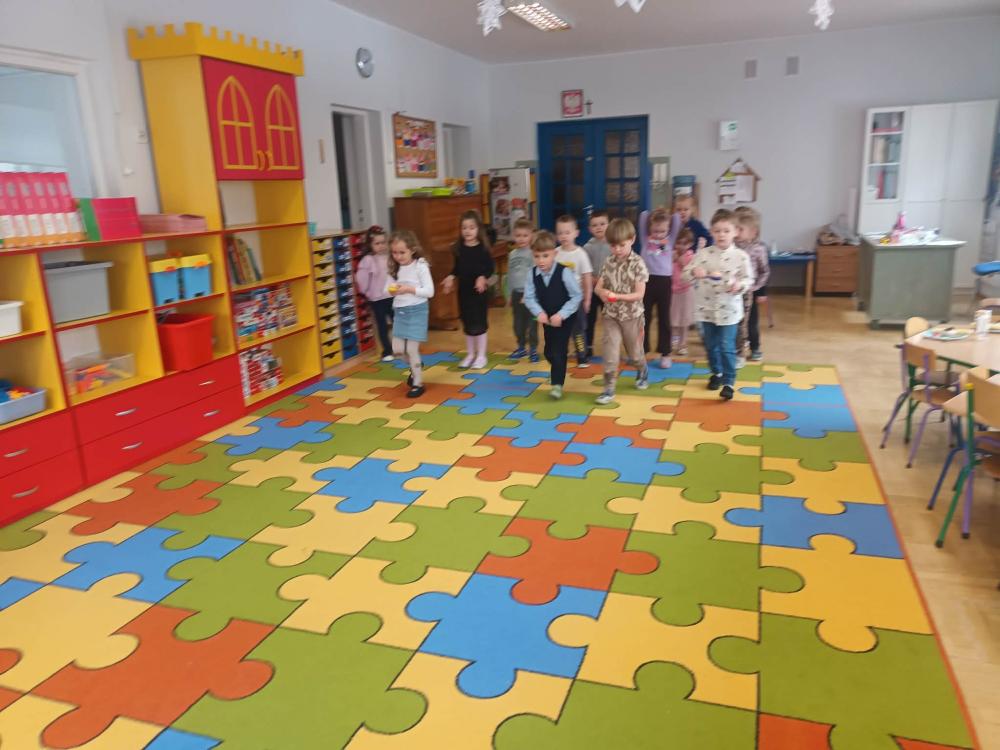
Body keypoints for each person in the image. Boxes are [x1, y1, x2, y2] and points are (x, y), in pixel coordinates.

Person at [682, 209, 753, 401]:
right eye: (717, 231)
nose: (721, 235)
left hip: (729, 311)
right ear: (711, 232)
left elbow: (748, 280)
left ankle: (729, 382)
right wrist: (694, 272)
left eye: (726, 231)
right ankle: (717, 373)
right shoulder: (703, 254)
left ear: (735, 232)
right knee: (711, 345)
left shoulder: (741, 256)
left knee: (726, 345)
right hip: (706, 310)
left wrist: (739, 285)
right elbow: (685, 275)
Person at [594, 218, 650, 404]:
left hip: (633, 316)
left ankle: (642, 369)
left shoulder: (638, 263)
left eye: (621, 245)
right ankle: (608, 388)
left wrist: (616, 296)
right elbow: (598, 287)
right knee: (610, 352)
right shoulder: (608, 262)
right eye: (613, 245)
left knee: (634, 354)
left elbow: (639, 294)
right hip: (611, 316)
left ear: (632, 240)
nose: (617, 249)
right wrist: (602, 293)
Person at [523, 230, 582, 400]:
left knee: (558, 350)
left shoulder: (564, 272)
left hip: (566, 318)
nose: (541, 261)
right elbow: (529, 297)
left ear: (554, 254)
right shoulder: (532, 274)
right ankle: (558, 365)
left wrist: (562, 315)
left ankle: (557, 384)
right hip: (547, 318)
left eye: (545, 256)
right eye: (537, 256)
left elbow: (576, 296)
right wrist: (539, 312)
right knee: (549, 351)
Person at [442, 210, 495, 369]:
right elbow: (457, 268)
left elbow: (490, 268)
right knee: (468, 323)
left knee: (479, 323)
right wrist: (450, 277)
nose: (467, 231)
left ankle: (481, 355)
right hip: (464, 293)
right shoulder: (459, 248)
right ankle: (471, 354)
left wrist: (482, 277)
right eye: (464, 228)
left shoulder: (483, 249)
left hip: (479, 293)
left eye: (471, 227)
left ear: (478, 229)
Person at [385, 230, 434, 398]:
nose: (398, 256)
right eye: (394, 252)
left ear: (412, 249)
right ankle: (416, 365)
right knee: (398, 350)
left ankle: (418, 383)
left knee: (412, 349)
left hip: (417, 310)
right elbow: (387, 288)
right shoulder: (394, 267)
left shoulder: (420, 265)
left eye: (402, 252)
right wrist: (391, 291)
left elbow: (430, 291)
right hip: (400, 311)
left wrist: (409, 289)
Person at [554, 215, 594, 367]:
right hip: (559, 300)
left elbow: (587, 278)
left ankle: (581, 357)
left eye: (567, 232)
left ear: (576, 233)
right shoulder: (555, 253)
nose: (563, 236)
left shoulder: (581, 254)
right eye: (560, 233)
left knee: (578, 330)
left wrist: (587, 299)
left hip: (576, 300)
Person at [639, 208, 676, 369]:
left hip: (664, 282)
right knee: (644, 317)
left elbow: (676, 219)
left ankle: (665, 353)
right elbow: (643, 216)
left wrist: (666, 215)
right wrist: (655, 215)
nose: (659, 234)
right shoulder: (645, 239)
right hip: (646, 281)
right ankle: (642, 351)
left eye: (663, 231)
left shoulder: (670, 240)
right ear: (650, 229)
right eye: (655, 231)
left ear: (668, 229)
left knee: (664, 318)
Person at [734, 206, 770, 364]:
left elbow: (764, 271)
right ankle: (737, 350)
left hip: (750, 292)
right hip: (733, 291)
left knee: (751, 322)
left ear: (753, 232)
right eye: (735, 228)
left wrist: (760, 291)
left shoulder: (759, 249)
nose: (736, 232)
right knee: (735, 322)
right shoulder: (731, 246)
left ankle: (755, 348)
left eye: (740, 229)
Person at [355, 225, 394, 362]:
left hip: (391, 296)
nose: (381, 246)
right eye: (377, 243)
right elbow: (361, 278)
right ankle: (387, 351)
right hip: (377, 299)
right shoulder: (368, 260)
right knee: (382, 325)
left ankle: (401, 346)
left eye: (383, 243)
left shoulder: (389, 257)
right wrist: (366, 291)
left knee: (398, 321)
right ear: (370, 245)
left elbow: (394, 274)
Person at [506, 218, 539, 362]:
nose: (521, 239)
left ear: (531, 236)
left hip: (531, 296)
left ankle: (533, 349)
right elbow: (510, 275)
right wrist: (509, 294)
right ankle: (521, 347)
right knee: (518, 324)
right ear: (514, 236)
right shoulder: (512, 254)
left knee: (532, 324)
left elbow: (535, 276)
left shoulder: (534, 254)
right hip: (516, 294)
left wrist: (529, 293)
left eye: (525, 235)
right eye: (518, 235)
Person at [583, 210, 611, 360]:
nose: (599, 227)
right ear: (590, 229)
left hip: (608, 290)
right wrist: (593, 280)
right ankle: (588, 346)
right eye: (595, 225)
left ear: (609, 225)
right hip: (593, 290)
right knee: (589, 319)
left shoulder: (614, 244)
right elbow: (585, 269)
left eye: (602, 224)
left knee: (610, 319)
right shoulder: (587, 247)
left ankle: (610, 346)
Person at [670, 228, 697, 356]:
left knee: (684, 320)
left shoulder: (691, 256)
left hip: (686, 291)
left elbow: (692, 270)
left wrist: (682, 263)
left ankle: (682, 344)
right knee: (673, 318)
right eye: (678, 243)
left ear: (690, 244)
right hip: (672, 291)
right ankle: (672, 339)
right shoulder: (672, 254)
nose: (681, 246)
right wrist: (671, 259)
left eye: (684, 243)